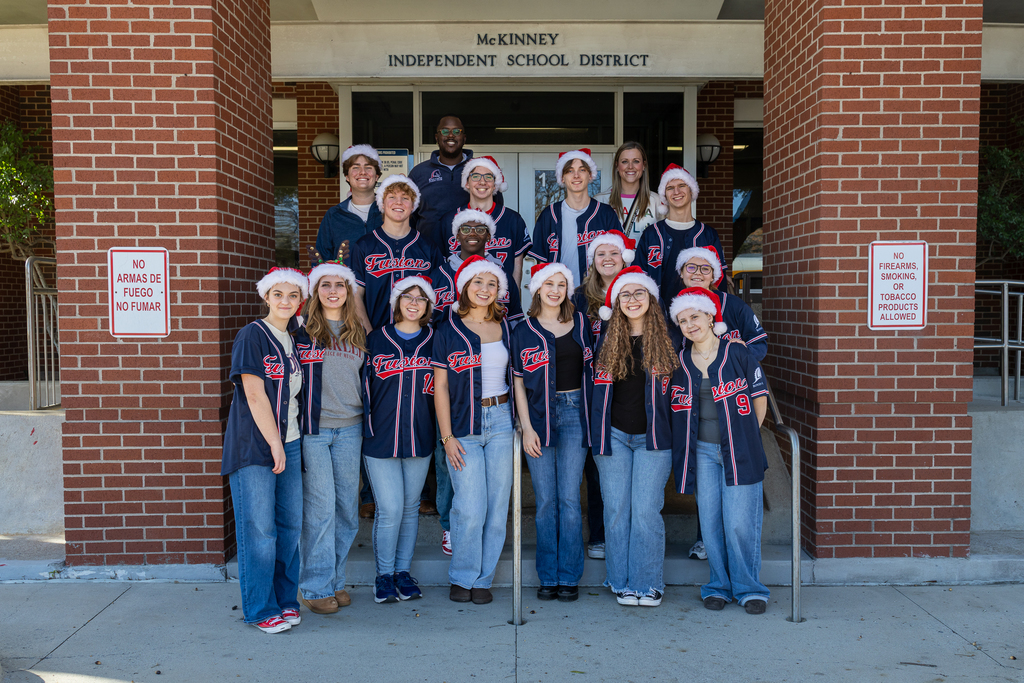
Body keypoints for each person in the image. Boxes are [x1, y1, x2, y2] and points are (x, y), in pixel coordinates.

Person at [668, 287, 770, 615]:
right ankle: (718, 585)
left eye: (694, 316)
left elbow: (759, 400)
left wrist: (746, 437)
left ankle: (749, 588)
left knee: (740, 522)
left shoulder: (739, 354)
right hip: (702, 452)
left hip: (739, 449)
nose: (689, 324)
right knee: (711, 522)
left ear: (711, 316)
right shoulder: (681, 361)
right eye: (682, 320)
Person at [221, 267, 309, 633]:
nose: (285, 301)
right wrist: (275, 443)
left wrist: (286, 442)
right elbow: (254, 395)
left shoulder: (295, 338)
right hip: (255, 445)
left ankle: (285, 600)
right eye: (278, 294)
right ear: (266, 297)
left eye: (292, 295)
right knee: (260, 530)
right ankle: (259, 608)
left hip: (290, 441)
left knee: (289, 527)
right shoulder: (251, 335)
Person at [590, 266, 680, 608]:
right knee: (615, 510)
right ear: (615, 302)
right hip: (612, 436)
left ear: (650, 299)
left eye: (638, 293)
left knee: (645, 511)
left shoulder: (670, 339)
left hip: (653, 439)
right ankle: (619, 579)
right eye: (624, 294)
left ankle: (647, 582)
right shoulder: (604, 339)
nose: (631, 299)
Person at [432, 255, 515, 605]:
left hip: (502, 420)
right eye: (477, 282)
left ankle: (483, 579)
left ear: (499, 290)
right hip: (464, 424)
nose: (484, 289)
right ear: (465, 286)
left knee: (497, 505)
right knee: (469, 504)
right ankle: (462, 576)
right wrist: (447, 437)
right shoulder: (448, 327)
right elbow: (440, 387)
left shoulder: (508, 325)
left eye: (491, 283)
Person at [512, 262, 594, 602]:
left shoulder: (584, 324)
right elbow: (517, 380)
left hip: (576, 412)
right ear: (536, 288)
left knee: (570, 499)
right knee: (546, 501)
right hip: (538, 416)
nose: (555, 290)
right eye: (549, 283)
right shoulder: (522, 329)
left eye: (562, 284)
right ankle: (547, 575)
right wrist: (526, 427)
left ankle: (569, 575)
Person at [293, 259, 366, 615]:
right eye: (326, 285)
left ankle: (336, 580)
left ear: (348, 291)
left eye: (340, 285)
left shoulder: (360, 331)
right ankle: (315, 585)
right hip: (315, 430)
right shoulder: (300, 332)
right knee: (320, 509)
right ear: (315, 291)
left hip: (352, 429)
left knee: (347, 510)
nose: (333, 291)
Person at [362, 276, 438, 603]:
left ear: (428, 307)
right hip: (380, 436)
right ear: (396, 303)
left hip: (419, 436)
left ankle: (402, 573)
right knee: (390, 508)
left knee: (409, 507)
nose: (413, 302)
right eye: (407, 296)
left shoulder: (437, 340)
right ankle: (383, 575)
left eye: (420, 298)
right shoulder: (375, 340)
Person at [569, 229, 636, 560]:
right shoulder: (580, 297)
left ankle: (631, 534)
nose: (608, 259)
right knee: (597, 462)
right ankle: (599, 533)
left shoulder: (638, 289)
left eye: (614, 253)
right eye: (601, 254)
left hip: (629, 388)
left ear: (624, 256)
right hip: (590, 387)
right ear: (592, 260)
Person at [436, 155, 531, 319]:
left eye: (488, 177)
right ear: (467, 183)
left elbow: (517, 269)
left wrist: (511, 305)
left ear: (496, 184)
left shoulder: (512, 219)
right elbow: (443, 266)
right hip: (457, 304)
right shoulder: (448, 221)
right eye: (475, 176)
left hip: (497, 302)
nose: (482, 182)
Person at [351, 174, 442, 331]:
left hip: (420, 340)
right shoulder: (364, 246)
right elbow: (355, 295)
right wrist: (369, 335)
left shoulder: (428, 247)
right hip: (376, 335)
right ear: (382, 204)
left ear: (413, 206)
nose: (398, 202)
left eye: (405, 198)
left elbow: (439, 296)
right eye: (392, 197)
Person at [529, 148, 620, 290]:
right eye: (570, 171)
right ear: (562, 178)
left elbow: (619, 259)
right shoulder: (549, 215)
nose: (576, 175)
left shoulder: (605, 214)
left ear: (590, 175)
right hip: (558, 296)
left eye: (582, 170)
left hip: (597, 296)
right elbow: (540, 262)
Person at [635, 164, 724, 298]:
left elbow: (718, 282)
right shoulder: (651, 233)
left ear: (691, 191)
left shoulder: (708, 234)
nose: (676, 192)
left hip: (697, 314)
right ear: (664, 195)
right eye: (670, 188)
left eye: (682, 186)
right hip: (656, 315)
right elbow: (637, 278)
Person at [408, 116, 501, 242]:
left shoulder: (479, 170)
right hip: (428, 251)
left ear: (464, 138)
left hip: (471, 250)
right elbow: (409, 216)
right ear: (437, 137)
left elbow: (497, 210)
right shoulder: (419, 173)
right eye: (445, 131)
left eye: (457, 131)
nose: (451, 135)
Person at [676, 245, 767, 361]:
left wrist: (743, 351)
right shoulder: (675, 309)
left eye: (705, 268)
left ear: (713, 276)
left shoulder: (735, 305)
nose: (698, 273)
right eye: (691, 267)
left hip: (732, 377)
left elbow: (759, 346)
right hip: (693, 376)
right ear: (681, 273)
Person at [314, 145, 384, 265]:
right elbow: (322, 260)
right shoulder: (334, 215)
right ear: (347, 176)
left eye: (368, 167)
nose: (362, 172)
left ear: (376, 176)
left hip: (385, 283)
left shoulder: (390, 211)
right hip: (347, 283)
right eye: (355, 167)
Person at [595, 142, 662, 242]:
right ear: (617, 166)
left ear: (643, 165)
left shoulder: (657, 200)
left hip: (646, 258)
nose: (630, 166)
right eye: (625, 161)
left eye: (636, 161)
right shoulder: (600, 201)